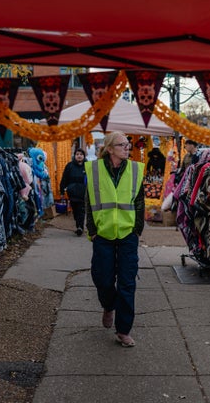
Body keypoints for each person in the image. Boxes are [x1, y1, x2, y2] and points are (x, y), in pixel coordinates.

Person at [85, 132, 145, 347]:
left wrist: (137, 229)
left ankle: (123, 330)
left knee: (127, 282)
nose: (127, 148)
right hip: (103, 234)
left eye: (128, 145)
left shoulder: (136, 169)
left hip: (128, 235)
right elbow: (88, 201)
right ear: (110, 149)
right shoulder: (94, 170)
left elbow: (139, 201)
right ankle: (108, 305)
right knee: (103, 278)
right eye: (122, 145)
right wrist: (92, 230)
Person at [60, 148, 87, 236]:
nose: (79, 156)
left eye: (81, 154)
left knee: (81, 209)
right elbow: (64, 178)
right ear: (74, 156)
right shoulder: (69, 166)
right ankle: (78, 224)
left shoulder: (88, 166)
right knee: (75, 209)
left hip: (83, 192)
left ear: (84, 156)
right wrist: (62, 191)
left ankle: (80, 227)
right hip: (72, 192)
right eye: (77, 154)